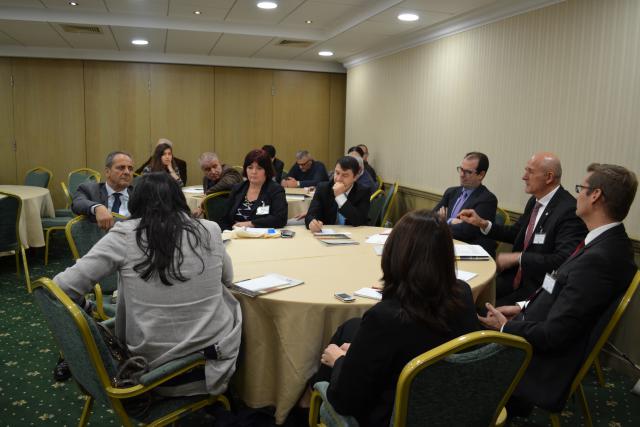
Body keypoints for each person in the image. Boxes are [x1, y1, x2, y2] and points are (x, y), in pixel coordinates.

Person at [55, 172, 242, 396]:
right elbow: (228, 280)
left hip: (149, 367)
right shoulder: (209, 229)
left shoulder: (124, 235)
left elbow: (62, 286)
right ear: (179, 199)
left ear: (136, 202)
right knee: (234, 304)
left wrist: (87, 309)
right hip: (210, 366)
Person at [478, 163, 637, 416]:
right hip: (535, 327)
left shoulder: (601, 259)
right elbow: (559, 287)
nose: (577, 195)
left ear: (595, 195)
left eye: (581, 188)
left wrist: (506, 327)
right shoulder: (607, 242)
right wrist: (522, 307)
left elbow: (556, 333)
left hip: (540, 362)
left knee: (459, 341)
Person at [313, 210, 480, 426]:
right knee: (350, 327)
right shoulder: (463, 292)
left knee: (337, 349)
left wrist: (340, 361)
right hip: (452, 403)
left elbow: (346, 401)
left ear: (395, 254)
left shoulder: (385, 318)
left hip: (396, 415)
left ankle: (309, 402)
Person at [459, 152, 587, 306]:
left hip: (536, 289)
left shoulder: (568, 210)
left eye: (530, 171)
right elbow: (516, 233)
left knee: (477, 309)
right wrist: (483, 224)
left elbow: (563, 260)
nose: (524, 177)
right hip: (512, 278)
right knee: (465, 296)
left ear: (549, 177)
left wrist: (518, 257)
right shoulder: (534, 201)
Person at [433, 152, 498, 256]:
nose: (462, 175)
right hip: (446, 246)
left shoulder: (487, 199)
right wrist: (450, 222)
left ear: (481, 175)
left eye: (468, 172)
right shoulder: (451, 192)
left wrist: (445, 221)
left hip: (470, 254)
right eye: (461, 169)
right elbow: (432, 216)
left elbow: (466, 232)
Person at [221, 149, 288, 230]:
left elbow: (280, 219)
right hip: (235, 235)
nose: (254, 172)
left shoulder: (275, 190)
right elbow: (224, 218)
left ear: (267, 170)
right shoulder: (238, 188)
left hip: (261, 237)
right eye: (250, 167)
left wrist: (250, 224)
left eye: (259, 168)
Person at [305, 156, 371, 232]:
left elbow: (359, 221)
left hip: (354, 234)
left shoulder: (363, 191)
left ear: (355, 177)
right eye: (337, 173)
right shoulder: (323, 188)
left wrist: (340, 197)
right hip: (327, 234)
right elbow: (310, 215)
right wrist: (312, 223)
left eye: (345, 175)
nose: (338, 179)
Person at [72, 151, 135, 230]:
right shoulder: (89, 190)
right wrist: (97, 207)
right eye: (121, 168)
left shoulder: (139, 194)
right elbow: (77, 203)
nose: (127, 172)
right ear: (107, 172)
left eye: (130, 169)